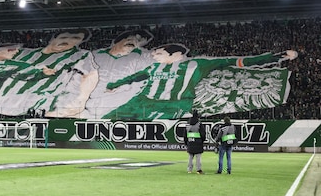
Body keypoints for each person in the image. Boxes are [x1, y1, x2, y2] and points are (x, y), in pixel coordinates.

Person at [104, 43, 298, 120]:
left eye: (159, 53)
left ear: (177, 54)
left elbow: (241, 60)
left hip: (176, 104)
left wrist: (277, 56)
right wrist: (113, 85)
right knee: (108, 120)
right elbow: (134, 77)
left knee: (162, 125)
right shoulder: (154, 68)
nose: (154, 56)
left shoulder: (198, 64)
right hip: (142, 100)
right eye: (154, 53)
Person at [81, 29, 154, 119]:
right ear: (117, 41)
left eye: (139, 42)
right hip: (90, 107)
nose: (135, 42)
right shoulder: (94, 55)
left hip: (118, 110)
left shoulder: (139, 58)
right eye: (131, 39)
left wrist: (121, 88)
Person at [183, 110, 205, 174]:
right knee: (198, 157)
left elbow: (185, 135)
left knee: (190, 157)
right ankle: (198, 170)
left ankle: (189, 170)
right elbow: (202, 134)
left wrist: (186, 142)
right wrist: (202, 140)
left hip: (190, 142)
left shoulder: (187, 124)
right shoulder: (199, 124)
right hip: (198, 142)